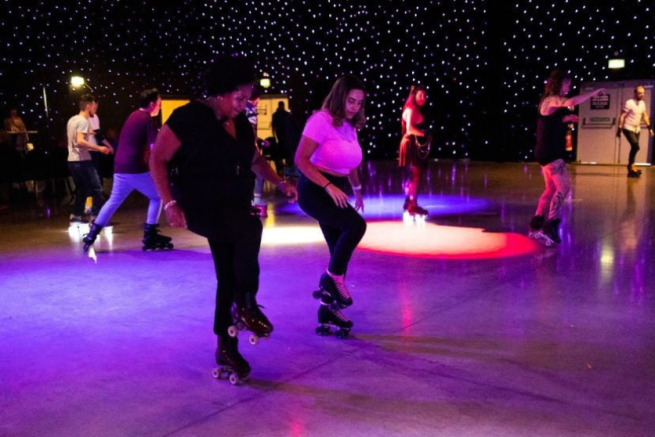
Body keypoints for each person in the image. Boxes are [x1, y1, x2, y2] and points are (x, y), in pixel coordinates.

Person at [150, 56, 298, 384]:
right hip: (199, 206)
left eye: (248, 99)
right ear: (220, 92)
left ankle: (225, 346)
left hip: (232, 206)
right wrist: (169, 202)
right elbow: (157, 158)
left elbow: (256, 160)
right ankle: (247, 304)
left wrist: (280, 182)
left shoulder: (241, 125)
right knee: (250, 227)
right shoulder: (188, 117)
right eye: (240, 98)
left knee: (228, 274)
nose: (245, 105)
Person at [295, 75, 367, 338]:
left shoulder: (350, 125)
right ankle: (330, 280)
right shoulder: (320, 121)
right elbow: (300, 159)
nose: (354, 107)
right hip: (315, 189)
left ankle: (327, 309)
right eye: (350, 101)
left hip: (337, 190)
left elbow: (351, 162)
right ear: (339, 96)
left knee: (339, 251)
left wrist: (356, 189)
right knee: (356, 226)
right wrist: (327, 186)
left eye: (359, 103)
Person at [83, 88, 173, 252]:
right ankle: (150, 235)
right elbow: (155, 149)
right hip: (135, 168)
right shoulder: (147, 120)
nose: (159, 107)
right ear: (152, 104)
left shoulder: (133, 115)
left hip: (120, 168)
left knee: (113, 201)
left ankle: (91, 235)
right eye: (159, 104)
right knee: (157, 196)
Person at [529, 69, 605, 245]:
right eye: (567, 84)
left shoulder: (549, 102)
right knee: (564, 188)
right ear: (558, 83)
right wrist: (592, 93)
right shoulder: (551, 99)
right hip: (551, 153)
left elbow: (550, 121)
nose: (568, 88)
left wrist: (567, 118)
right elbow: (570, 101)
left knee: (550, 190)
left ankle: (536, 226)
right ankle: (550, 227)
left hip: (545, 151)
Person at [66, 95, 112, 223]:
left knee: (83, 188)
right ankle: (96, 217)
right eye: (93, 106)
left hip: (72, 161)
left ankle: (75, 215)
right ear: (88, 106)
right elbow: (80, 141)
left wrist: (89, 133)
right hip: (82, 160)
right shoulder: (83, 121)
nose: (95, 109)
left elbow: (74, 138)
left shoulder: (72, 120)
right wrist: (99, 148)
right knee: (97, 188)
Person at [398, 85, 431, 218]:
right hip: (410, 143)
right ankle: (413, 205)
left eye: (425, 95)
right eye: (420, 95)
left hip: (410, 143)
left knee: (413, 176)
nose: (423, 98)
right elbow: (410, 129)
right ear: (414, 96)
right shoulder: (411, 109)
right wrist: (424, 134)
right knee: (416, 176)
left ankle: (409, 203)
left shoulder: (413, 108)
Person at [85, 99, 115, 214]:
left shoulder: (95, 117)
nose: (96, 109)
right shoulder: (79, 119)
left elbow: (98, 135)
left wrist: (108, 146)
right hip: (85, 151)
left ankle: (96, 208)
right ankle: (89, 207)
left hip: (94, 151)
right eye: (94, 107)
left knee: (97, 178)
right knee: (90, 179)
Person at [617, 85, 654, 178]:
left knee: (634, 148)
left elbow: (644, 116)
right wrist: (619, 129)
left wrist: (650, 128)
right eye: (639, 93)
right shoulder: (629, 103)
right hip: (628, 127)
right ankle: (630, 165)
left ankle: (631, 166)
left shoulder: (642, 104)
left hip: (637, 128)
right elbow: (622, 116)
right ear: (635, 93)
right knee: (636, 146)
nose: (641, 95)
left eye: (643, 93)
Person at [245, 86, 271, 217]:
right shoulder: (250, 109)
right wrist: (256, 143)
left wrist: (260, 141)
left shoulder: (241, 108)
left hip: (243, 146)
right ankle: (257, 199)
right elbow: (249, 130)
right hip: (248, 147)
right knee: (259, 172)